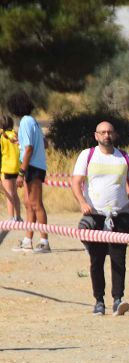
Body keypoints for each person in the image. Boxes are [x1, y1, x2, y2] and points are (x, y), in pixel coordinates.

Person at [71, 121, 129, 316]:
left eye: (110, 132)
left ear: (115, 135)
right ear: (96, 136)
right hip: (95, 216)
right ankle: (99, 300)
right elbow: (76, 182)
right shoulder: (87, 155)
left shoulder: (125, 158)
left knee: (119, 259)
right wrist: (82, 202)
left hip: (120, 215)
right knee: (97, 259)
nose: (106, 136)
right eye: (102, 132)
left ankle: (118, 299)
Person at [7, 93, 48, 253]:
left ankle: (44, 241)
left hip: (32, 167)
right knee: (28, 204)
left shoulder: (25, 122)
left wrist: (21, 172)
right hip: (35, 165)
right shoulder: (33, 122)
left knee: (37, 204)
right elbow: (44, 143)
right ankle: (27, 240)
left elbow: (29, 148)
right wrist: (20, 142)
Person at [1, 114, 21, 244]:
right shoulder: (15, 134)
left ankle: (11, 217)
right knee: (15, 193)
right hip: (17, 168)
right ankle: (18, 216)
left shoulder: (2, 136)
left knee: (8, 194)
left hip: (7, 167)